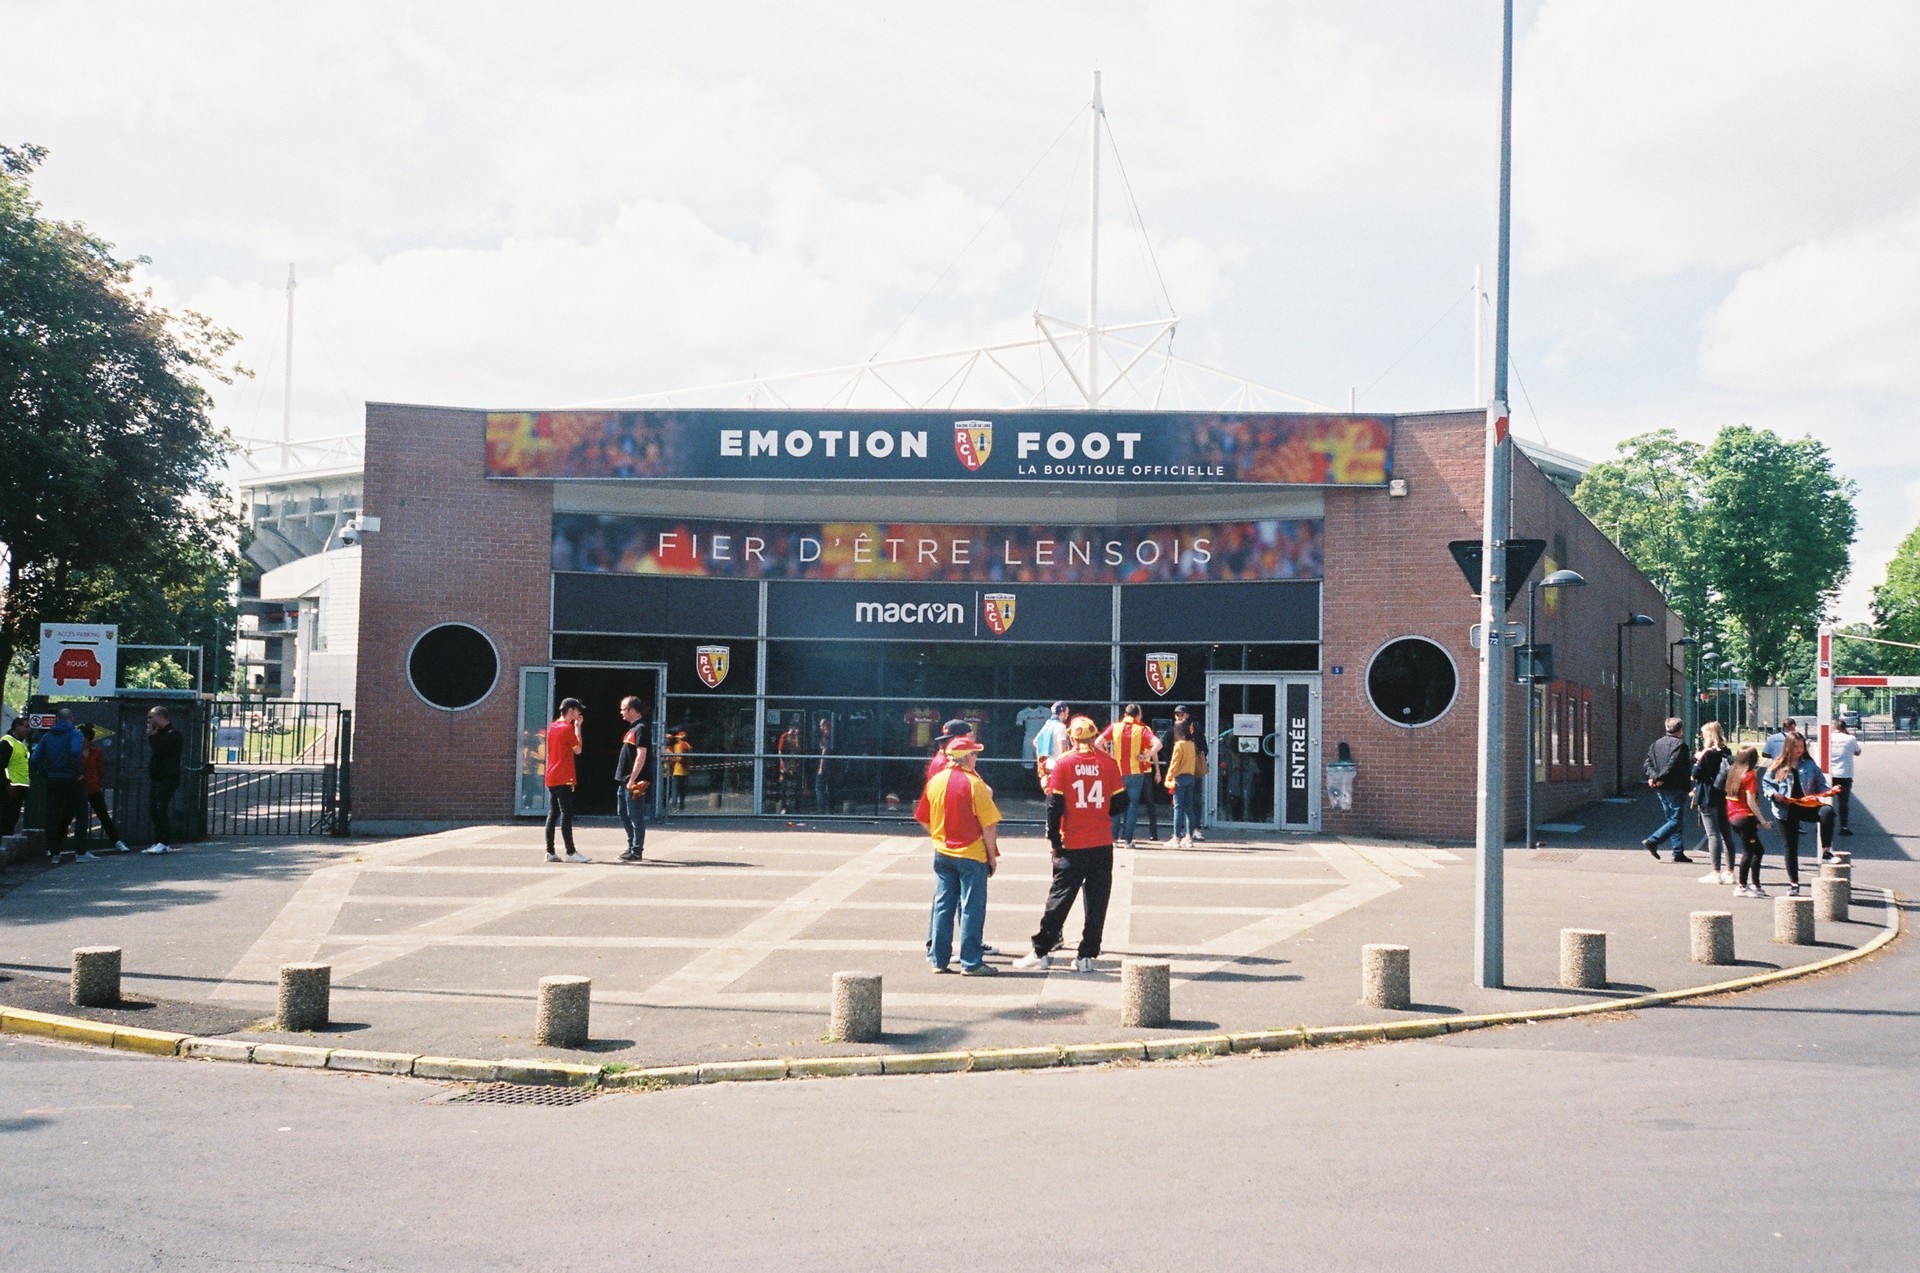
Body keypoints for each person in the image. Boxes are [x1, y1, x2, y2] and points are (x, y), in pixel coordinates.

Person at [1014, 716, 1128, 973]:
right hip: (1101, 843)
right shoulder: (1108, 763)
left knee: (1060, 898)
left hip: (1072, 842)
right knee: (1098, 900)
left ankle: (1041, 951)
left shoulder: (1064, 764)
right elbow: (1122, 802)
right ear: (1094, 735)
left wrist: (1054, 839)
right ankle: (1087, 956)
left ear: (1072, 737)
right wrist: (1099, 813)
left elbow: (1053, 806)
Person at [913, 735, 1001, 976]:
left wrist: (938, 837)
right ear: (966, 759)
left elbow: (922, 816)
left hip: (943, 853)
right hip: (971, 854)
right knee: (971, 907)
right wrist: (992, 857)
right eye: (974, 754)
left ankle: (938, 960)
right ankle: (971, 962)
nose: (976, 758)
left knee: (943, 904)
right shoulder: (975, 785)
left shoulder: (936, 781)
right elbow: (989, 826)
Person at [1762, 733, 1833, 896]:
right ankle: (1794, 884)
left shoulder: (1809, 764)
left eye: (1802, 747)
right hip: (1785, 809)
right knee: (1791, 846)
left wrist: (1827, 792)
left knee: (1827, 812)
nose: (1799, 750)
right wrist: (1774, 795)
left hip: (1805, 805)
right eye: (1796, 747)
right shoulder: (1778, 764)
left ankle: (1826, 850)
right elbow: (1766, 784)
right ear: (1788, 747)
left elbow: (1821, 784)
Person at [1096, 703, 1159, 850]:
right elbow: (1158, 743)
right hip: (1136, 772)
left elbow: (1098, 742)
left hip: (1117, 772)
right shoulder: (1141, 729)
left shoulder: (1115, 727)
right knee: (1132, 806)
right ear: (1137, 715)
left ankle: (1113, 839)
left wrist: (1108, 757)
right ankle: (1128, 841)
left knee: (1116, 805)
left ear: (1125, 714)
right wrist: (1146, 755)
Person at [32, 708, 87, 859]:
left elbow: (34, 759)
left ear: (57, 719)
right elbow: (75, 752)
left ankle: (53, 850)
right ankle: (81, 852)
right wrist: (77, 773)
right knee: (81, 812)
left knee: (52, 814)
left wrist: (45, 773)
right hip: (70, 778)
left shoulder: (48, 736)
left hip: (53, 779)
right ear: (71, 718)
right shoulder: (75, 734)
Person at [1640, 716, 1693, 864]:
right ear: (1681, 730)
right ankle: (1653, 841)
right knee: (1676, 821)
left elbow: (1648, 762)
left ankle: (1678, 852)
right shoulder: (1680, 746)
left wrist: (1653, 777)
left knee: (1671, 820)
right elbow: (1673, 766)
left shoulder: (1656, 744)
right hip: (1676, 787)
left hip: (1661, 788)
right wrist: (1659, 777)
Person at [1724, 746, 1774, 898]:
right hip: (1745, 817)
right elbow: (1751, 801)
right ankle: (1744, 885)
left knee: (1756, 850)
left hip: (1733, 816)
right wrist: (1762, 820)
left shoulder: (1733, 771)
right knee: (1750, 852)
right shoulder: (1750, 775)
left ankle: (1755, 884)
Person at [544, 697, 589, 863]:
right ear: (571, 710)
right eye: (578, 710)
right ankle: (570, 852)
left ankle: (550, 851)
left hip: (552, 775)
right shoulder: (566, 728)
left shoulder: (553, 727)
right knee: (566, 813)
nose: (579, 713)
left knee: (553, 813)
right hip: (564, 776)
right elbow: (578, 749)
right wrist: (578, 728)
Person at [1689, 721, 1734, 885]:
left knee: (1713, 834)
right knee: (1726, 833)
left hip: (1707, 796)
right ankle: (1729, 872)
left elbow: (1695, 774)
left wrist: (1697, 759)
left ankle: (1715, 872)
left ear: (1708, 735)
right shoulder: (1726, 752)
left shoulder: (1707, 754)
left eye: (1703, 735)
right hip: (1724, 795)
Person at [78, 724, 129, 857]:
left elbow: (100, 770)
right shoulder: (75, 751)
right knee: (69, 816)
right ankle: (56, 846)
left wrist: (94, 779)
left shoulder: (97, 752)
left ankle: (117, 841)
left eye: (81, 736)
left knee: (103, 815)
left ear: (87, 737)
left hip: (93, 787)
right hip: (78, 788)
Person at [140, 706, 184, 854]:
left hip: (168, 778)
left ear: (161, 717)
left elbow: (160, 750)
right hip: (157, 777)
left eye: (151, 717)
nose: (149, 721)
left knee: (160, 808)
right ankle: (158, 841)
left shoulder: (173, 734)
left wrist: (152, 736)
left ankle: (164, 842)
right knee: (154, 810)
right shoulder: (160, 734)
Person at [615, 696, 650, 863]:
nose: (621, 712)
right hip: (625, 779)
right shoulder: (633, 728)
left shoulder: (642, 728)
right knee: (622, 812)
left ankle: (636, 850)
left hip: (634, 781)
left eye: (624, 709)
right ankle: (631, 846)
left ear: (633, 710)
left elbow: (641, 754)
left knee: (635, 815)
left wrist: (633, 779)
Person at [1163, 710, 1202, 848]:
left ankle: (1176, 837)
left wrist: (1169, 776)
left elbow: (1174, 763)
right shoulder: (1191, 744)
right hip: (1190, 777)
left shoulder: (1179, 745)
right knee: (1189, 808)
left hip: (1179, 778)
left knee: (1178, 808)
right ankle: (1189, 837)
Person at [1828, 716, 1862, 837]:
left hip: (1830, 774)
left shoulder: (1828, 737)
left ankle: (1824, 824)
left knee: (1826, 800)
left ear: (1833, 727)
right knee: (1843, 802)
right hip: (1845, 774)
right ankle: (1844, 826)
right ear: (1844, 728)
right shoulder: (1850, 739)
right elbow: (1858, 752)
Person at [0, 714, 29, 838]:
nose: (29, 730)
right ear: (17, 727)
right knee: (6, 817)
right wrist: (7, 784)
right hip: (10, 787)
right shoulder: (7, 742)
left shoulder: (21, 745)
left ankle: (6, 842)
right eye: (26, 726)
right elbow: (1, 766)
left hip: (21, 786)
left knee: (13, 818)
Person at [1030, 701, 1070, 788]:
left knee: (1051, 792)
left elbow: (1035, 742)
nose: (1067, 715)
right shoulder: (1061, 727)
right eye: (1067, 713)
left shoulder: (1048, 724)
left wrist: (1046, 753)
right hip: (1059, 767)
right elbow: (1063, 751)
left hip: (1049, 765)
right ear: (1062, 713)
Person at [667, 729, 692, 813]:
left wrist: (671, 757)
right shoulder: (689, 746)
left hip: (677, 771)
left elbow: (679, 758)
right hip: (686, 771)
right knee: (682, 790)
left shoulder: (678, 746)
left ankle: (674, 806)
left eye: (677, 738)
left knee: (675, 790)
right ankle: (682, 806)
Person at [812, 717, 832, 813]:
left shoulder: (825, 737)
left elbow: (824, 752)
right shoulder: (832, 736)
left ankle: (821, 808)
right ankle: (828, 807)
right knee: (827, 787)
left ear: (825, 725)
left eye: (821, 725)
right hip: (830, 765)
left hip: (824, 766)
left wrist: (820, 767)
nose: (820, 727)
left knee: (819, 787)